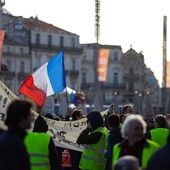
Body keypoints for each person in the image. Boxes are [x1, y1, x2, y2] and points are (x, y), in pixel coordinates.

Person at [0, 99, 33, 170]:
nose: (32, 119)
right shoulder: (13, 143)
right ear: (22, 118)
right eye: (30, 115)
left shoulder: (12, 138)